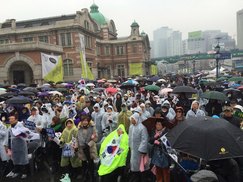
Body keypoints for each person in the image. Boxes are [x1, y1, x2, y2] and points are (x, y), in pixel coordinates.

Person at [5, 115, 29, 179]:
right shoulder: (10, 127)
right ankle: (16, 172)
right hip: (14, 145)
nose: (10, 120)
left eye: (12, 119)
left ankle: (25, 172)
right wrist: (6, 145)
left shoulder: (20, 125)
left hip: (21, 145)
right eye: (9, 119)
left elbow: (26, 135)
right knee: (16, 159)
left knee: (23, 159)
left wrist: (19, 134)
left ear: (16, 119)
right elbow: (7, 136)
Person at [129, 113, 149, 182]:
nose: (131, 120)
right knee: (134, 167)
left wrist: (142, 150)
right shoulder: (131, 127)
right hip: (133, 150)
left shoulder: (142, 128)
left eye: (132, 119)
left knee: (141, 167)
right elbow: (130, 138)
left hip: (140, 152)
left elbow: (144, 140)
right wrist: (130, 146)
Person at [76, 116, 98, 182]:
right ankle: (85, 177)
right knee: (84, 163)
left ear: (88, 121)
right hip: (82, 150)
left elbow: (95, 138)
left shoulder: (92, 128)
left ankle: (93, 177)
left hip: (90, 149)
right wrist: (76, 145)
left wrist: (89, 144)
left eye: (86, 121)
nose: (85, 122)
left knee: (91, 164)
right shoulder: (79, 129)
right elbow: (77, 138)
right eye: (83, 121)